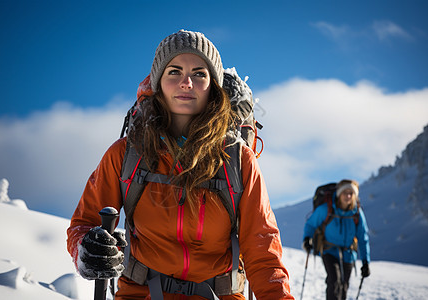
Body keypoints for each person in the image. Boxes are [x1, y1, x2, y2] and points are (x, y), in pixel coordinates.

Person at [67, 29, 294, 300]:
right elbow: (85, 222)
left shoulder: (239, 160)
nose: (186, 82)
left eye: (199, 73)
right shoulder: (126, 153)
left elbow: (263, 251)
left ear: (214, 86)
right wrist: (86, 248)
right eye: (174, 71)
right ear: (158, 81)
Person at [302, 179, 370, 300]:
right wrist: (307, 239)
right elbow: (311, 224)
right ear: (339, 193)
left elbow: (363, 237)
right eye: (345, 192)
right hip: (329, 250)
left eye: (351, 193)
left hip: (348, 254)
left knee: (344, 286)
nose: (348, 196)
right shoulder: (326, 209)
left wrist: (366, 262)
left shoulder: (357, 213)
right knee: (334, 281)